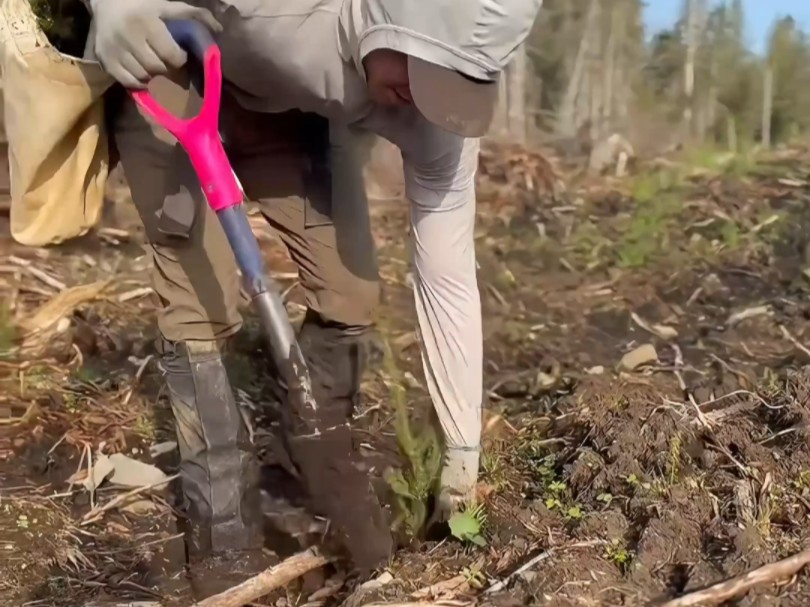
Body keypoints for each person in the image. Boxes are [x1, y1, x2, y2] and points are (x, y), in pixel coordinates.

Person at [83, 0, 543, 597]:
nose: (422, 99)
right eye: (421, 72)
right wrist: (113, 6)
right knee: (203, 302)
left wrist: (462, 447)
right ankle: (225, 541)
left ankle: (314, 449)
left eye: (454, 85)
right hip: (177, 67)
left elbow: (449, 275)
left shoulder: (438, 118)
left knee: (350, 290)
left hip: (287, 110)